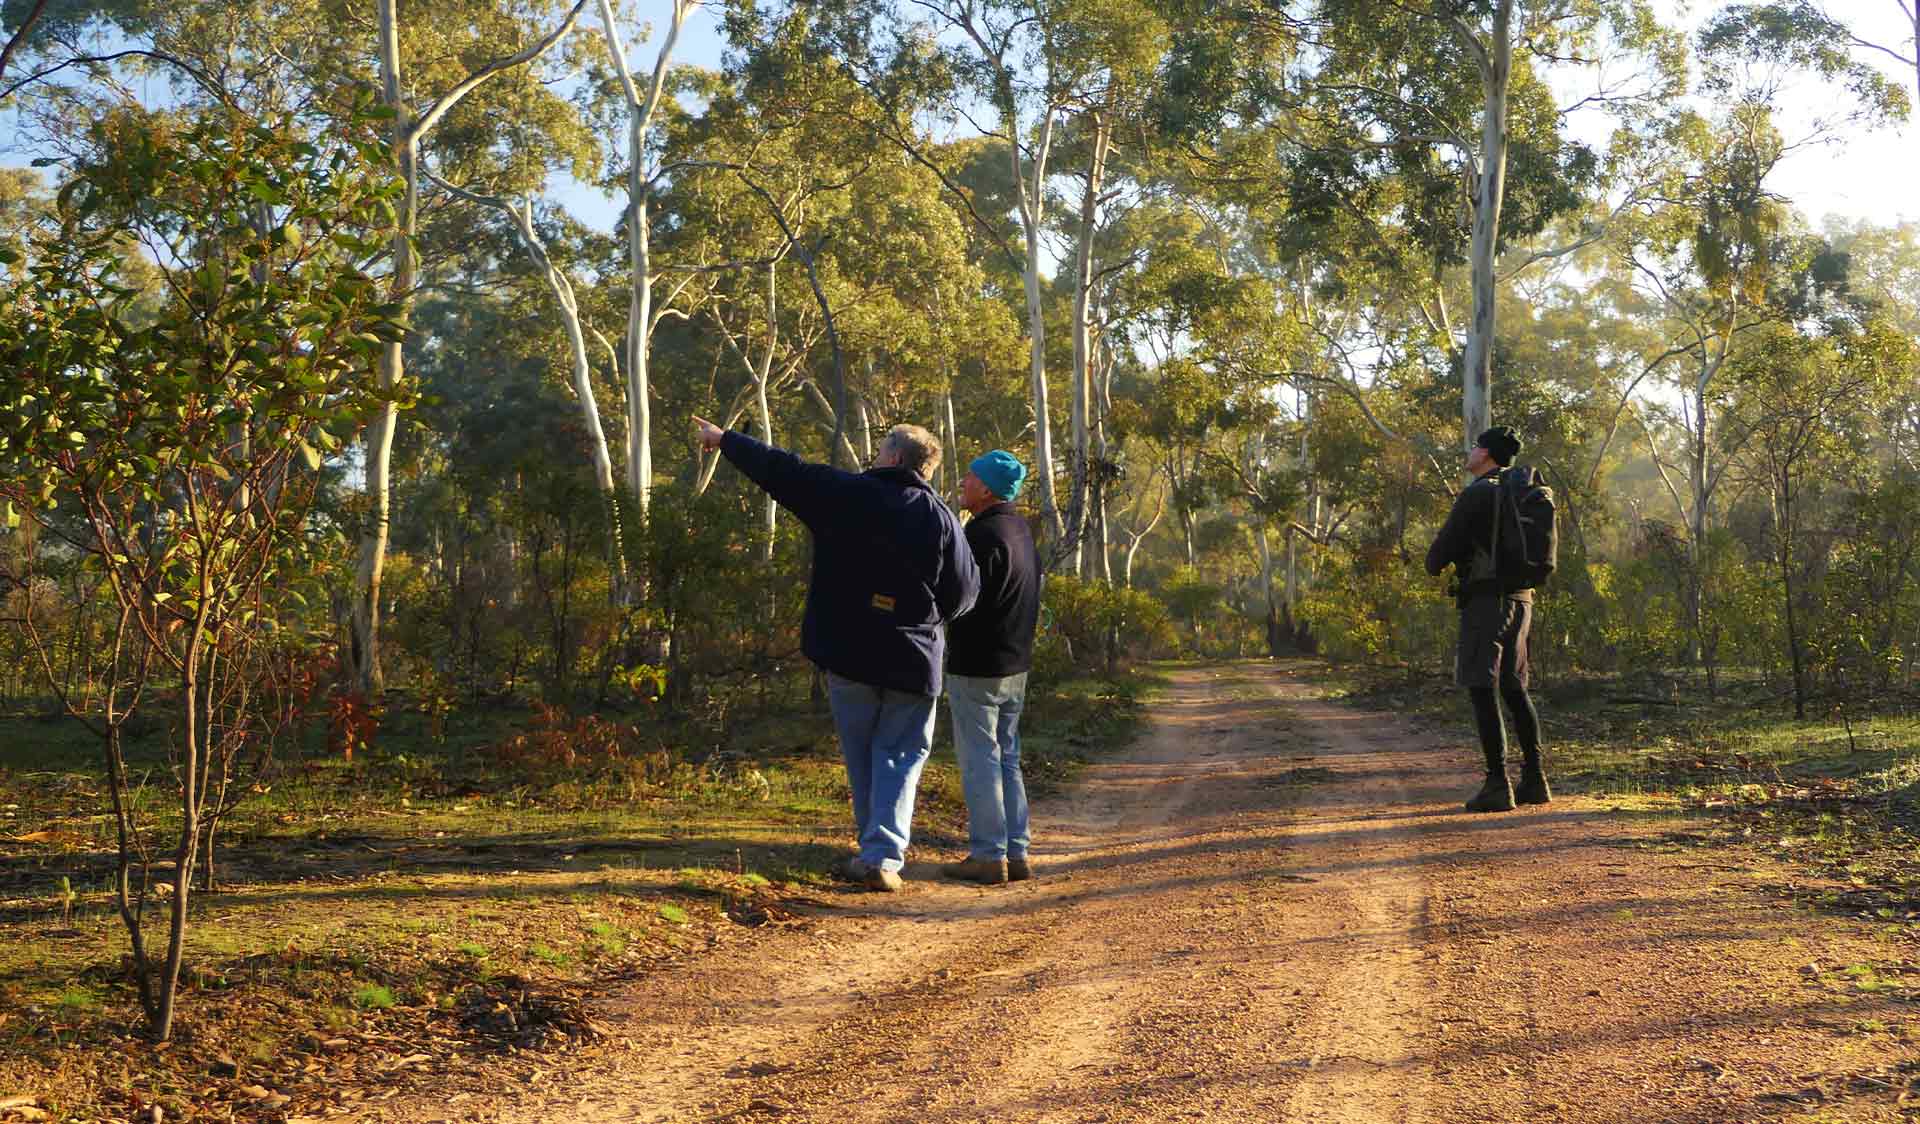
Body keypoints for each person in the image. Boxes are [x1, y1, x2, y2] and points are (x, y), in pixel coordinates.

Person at [693, 415, 979, 890]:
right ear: (924, 469)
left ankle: (874, 853)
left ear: (891, 457)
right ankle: (883, 855)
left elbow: (783, 470)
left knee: (863, 753)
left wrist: (726, 441)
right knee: (902, 754)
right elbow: (965, 595)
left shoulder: (845, 493)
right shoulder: (945, 520)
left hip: (849, 651)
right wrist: (921, 615)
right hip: (913, 657)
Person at [1424, 425, 1551, 813]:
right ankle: (1534, 779)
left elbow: (1435, 559)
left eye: (1476, 446)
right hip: (1521, 600)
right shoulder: (1521, 492)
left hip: (1485, 601)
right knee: (1515, 689)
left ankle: (1497, 784)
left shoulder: (1477, 493)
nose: (1471, 451)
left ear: (1488, 454)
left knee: (1482, 687)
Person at [940, 451, 1043, 886]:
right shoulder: (1020, 530)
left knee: (981, 759)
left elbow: (961, 599)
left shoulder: (981, 535)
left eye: (969, 478)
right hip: (1014, 665)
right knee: (1007, 758)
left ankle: (987, 855)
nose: (962, 483)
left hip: (978, 666)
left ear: (985, 489)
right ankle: (1015, 852)